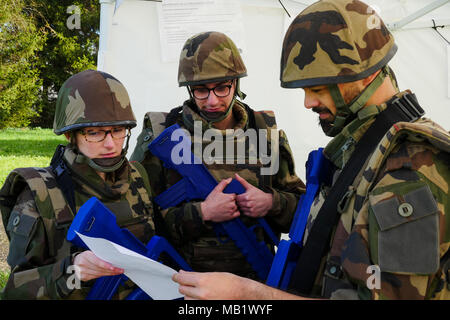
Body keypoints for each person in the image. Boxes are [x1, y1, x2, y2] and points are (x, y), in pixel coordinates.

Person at [172, 0, 450, 300]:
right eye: (201, 90)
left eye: (317, 89)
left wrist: (248, 294)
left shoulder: (413, 168)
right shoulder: (364, 149)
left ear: (365, 74)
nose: (308, 103)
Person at [130, 31, 305, 279]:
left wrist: (270, 202)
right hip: (183, 281)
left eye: (222, 88)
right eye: (201, 90)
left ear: (236, 84)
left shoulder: (264, 133)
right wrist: (203, 213)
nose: (212, 100)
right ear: (190, 89)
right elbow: (137, 222)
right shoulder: (162, 134)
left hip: (255, 281)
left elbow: (303, 214)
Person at [0, 69, 157, 299]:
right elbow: (15, 292)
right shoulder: (40, 193)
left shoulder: (138, 176)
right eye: (94, 133)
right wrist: (72, 270)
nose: (110, 144)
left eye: (118, 130)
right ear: (69, 135)